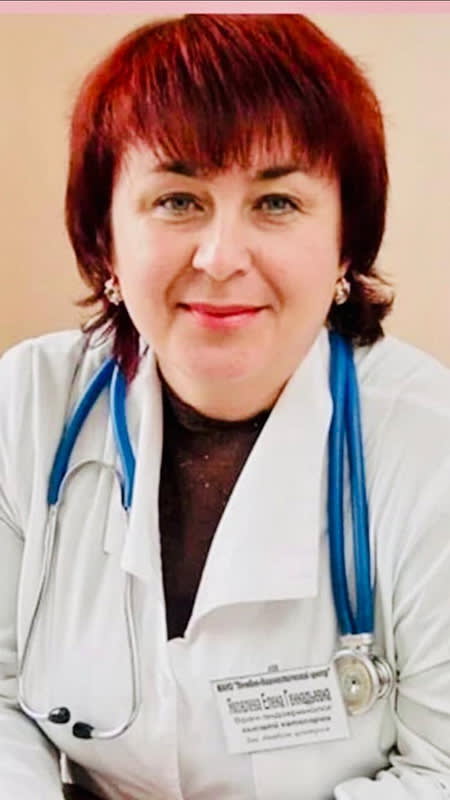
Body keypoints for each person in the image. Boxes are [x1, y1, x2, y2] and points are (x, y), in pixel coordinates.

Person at [0, 12, 449, 800]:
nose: (220, 258)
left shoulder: (426, 443)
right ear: (105, 239)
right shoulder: (30, 405)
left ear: (346, 243)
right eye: (178, 200)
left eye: (276, 203)